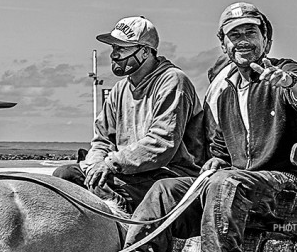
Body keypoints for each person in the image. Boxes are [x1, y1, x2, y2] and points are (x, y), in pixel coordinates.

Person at [86, 2, 297, 252]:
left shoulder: (284, 73)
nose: (242, 40)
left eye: (250, 31)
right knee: (164, 190)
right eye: (233, 34)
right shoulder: (224, 92)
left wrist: (290, 83)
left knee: (225, 183)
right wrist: (214, 162)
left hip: (286, 184)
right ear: (222, 43)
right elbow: (222, 151)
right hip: (237, 182)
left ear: (265, 37)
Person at [53, 15, 204, 211]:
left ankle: (124, 227)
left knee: (104, 188)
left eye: (122, 48)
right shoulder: (119, 89)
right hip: (127, 171)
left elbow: (161, 145)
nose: (114, 55)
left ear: (145, 52)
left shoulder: (173, 81)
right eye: (114, 48)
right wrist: (94, 165)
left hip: (168, 174)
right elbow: (102, 140)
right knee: (64, 176)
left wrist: (109, 164)